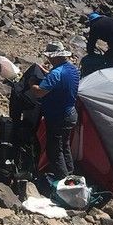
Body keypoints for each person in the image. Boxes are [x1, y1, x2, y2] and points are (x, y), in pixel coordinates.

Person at [31, 41, 80, 178]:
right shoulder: (73, 69)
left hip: (58, 116)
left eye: (49, 57)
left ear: (54, 57)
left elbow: (39, 92)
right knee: (64, 146)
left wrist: (32, 84)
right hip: (71, 113)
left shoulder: (55, 74)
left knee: (54, 150)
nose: (48, 59)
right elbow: (60, 80)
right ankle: (70, 175)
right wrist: (47, 73)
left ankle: (63, 180)